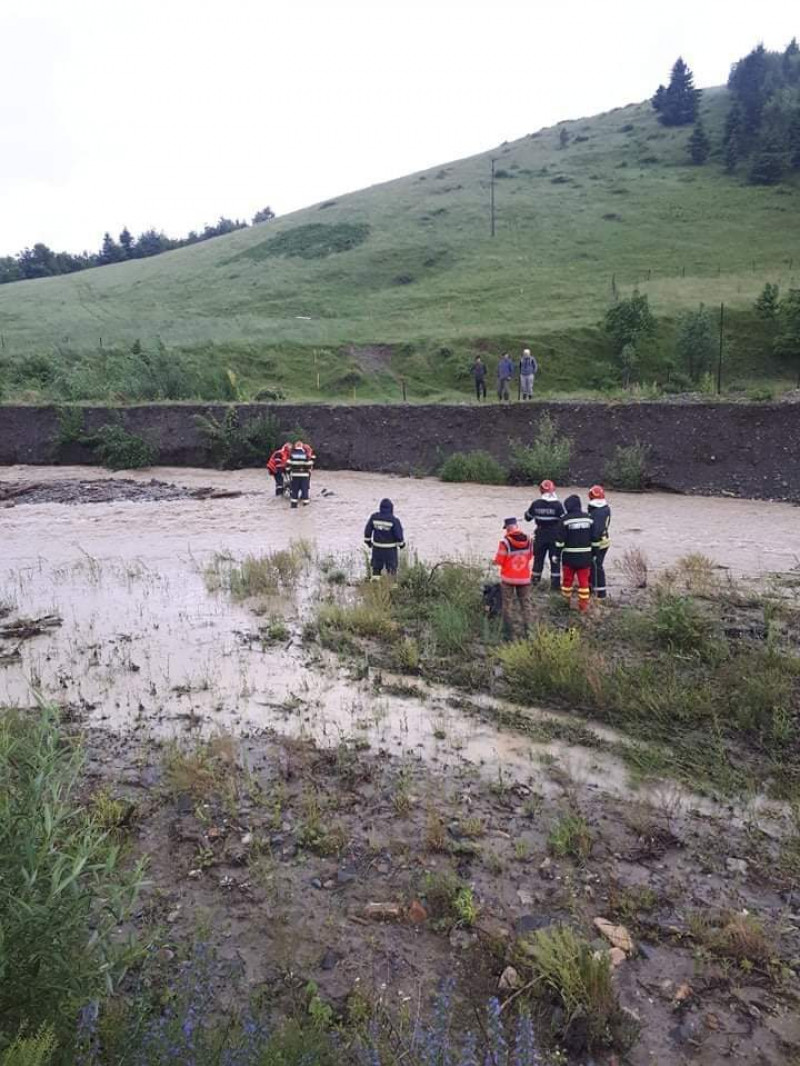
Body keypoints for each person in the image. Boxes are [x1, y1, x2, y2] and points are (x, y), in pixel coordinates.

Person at [493, 517, 534, 639]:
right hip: (524, 579)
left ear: (507, 529)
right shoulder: (529, 541)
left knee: (507, 605)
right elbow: (530, 556)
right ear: (517, 526)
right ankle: (528, 632)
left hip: (508, 579)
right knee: (526, 604)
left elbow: (500, 560)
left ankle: (509, 633)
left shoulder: (505, 543)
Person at [524, 479, 565, 591]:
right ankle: (555, 587)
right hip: (554, 536)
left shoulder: (536, 504)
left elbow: (527, 517)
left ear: (541, 490)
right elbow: (564, 520)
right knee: (555, 560)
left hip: (540, 535)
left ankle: (535, 584)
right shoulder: (558, 505)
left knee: (538, 560)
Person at [556, 495, 594, 613]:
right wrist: (595, 553)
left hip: (569, 557)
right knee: (584, 583)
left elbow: (560, 541)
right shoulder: (589, 518)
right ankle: (583, 607)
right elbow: (594, 537)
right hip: (585, 557)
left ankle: (565, 603)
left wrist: (557, 555)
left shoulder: (564, 520)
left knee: (567, 582)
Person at [364, 498, 406, 578]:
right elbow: (398, 536)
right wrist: (402, 545)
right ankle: (392, 587)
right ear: (391, 508)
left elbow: (367, 532)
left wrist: (369, 543)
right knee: (391, 570)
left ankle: (375, 587)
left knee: (376, 570)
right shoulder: (394, 520)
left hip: (377, 549)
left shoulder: (374, 517)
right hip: (390, 550)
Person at [588, 484, 612, 599]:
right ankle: (594, 589)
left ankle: (600, 593)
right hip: (605, 540)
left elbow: (595, 532)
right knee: (595, 565)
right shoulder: (605, 508)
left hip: (598, 543)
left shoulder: (596, 512)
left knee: (596, 566)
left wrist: (594, 548)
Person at [287, 440, 314, 508]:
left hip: (295, 476)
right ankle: (305, 507)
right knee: (305, 491)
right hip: (304, 476)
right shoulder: (305, 455)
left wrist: (289, 472)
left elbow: (288, 465)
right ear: (302, 446)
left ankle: (293, 506)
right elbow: (309, 465)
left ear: (295, 446)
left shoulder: (291, 455)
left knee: (294, 491)